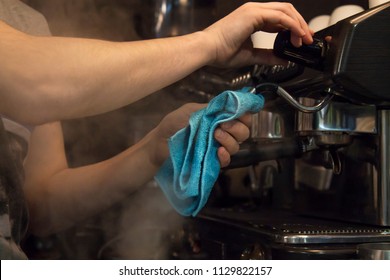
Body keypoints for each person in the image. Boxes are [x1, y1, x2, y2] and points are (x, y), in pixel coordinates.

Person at [0, 0, 313, 259]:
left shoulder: (27, 22)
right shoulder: (30, 59)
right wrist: (210, 42)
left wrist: (153, 149)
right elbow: (36, 85)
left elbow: (40, 203)